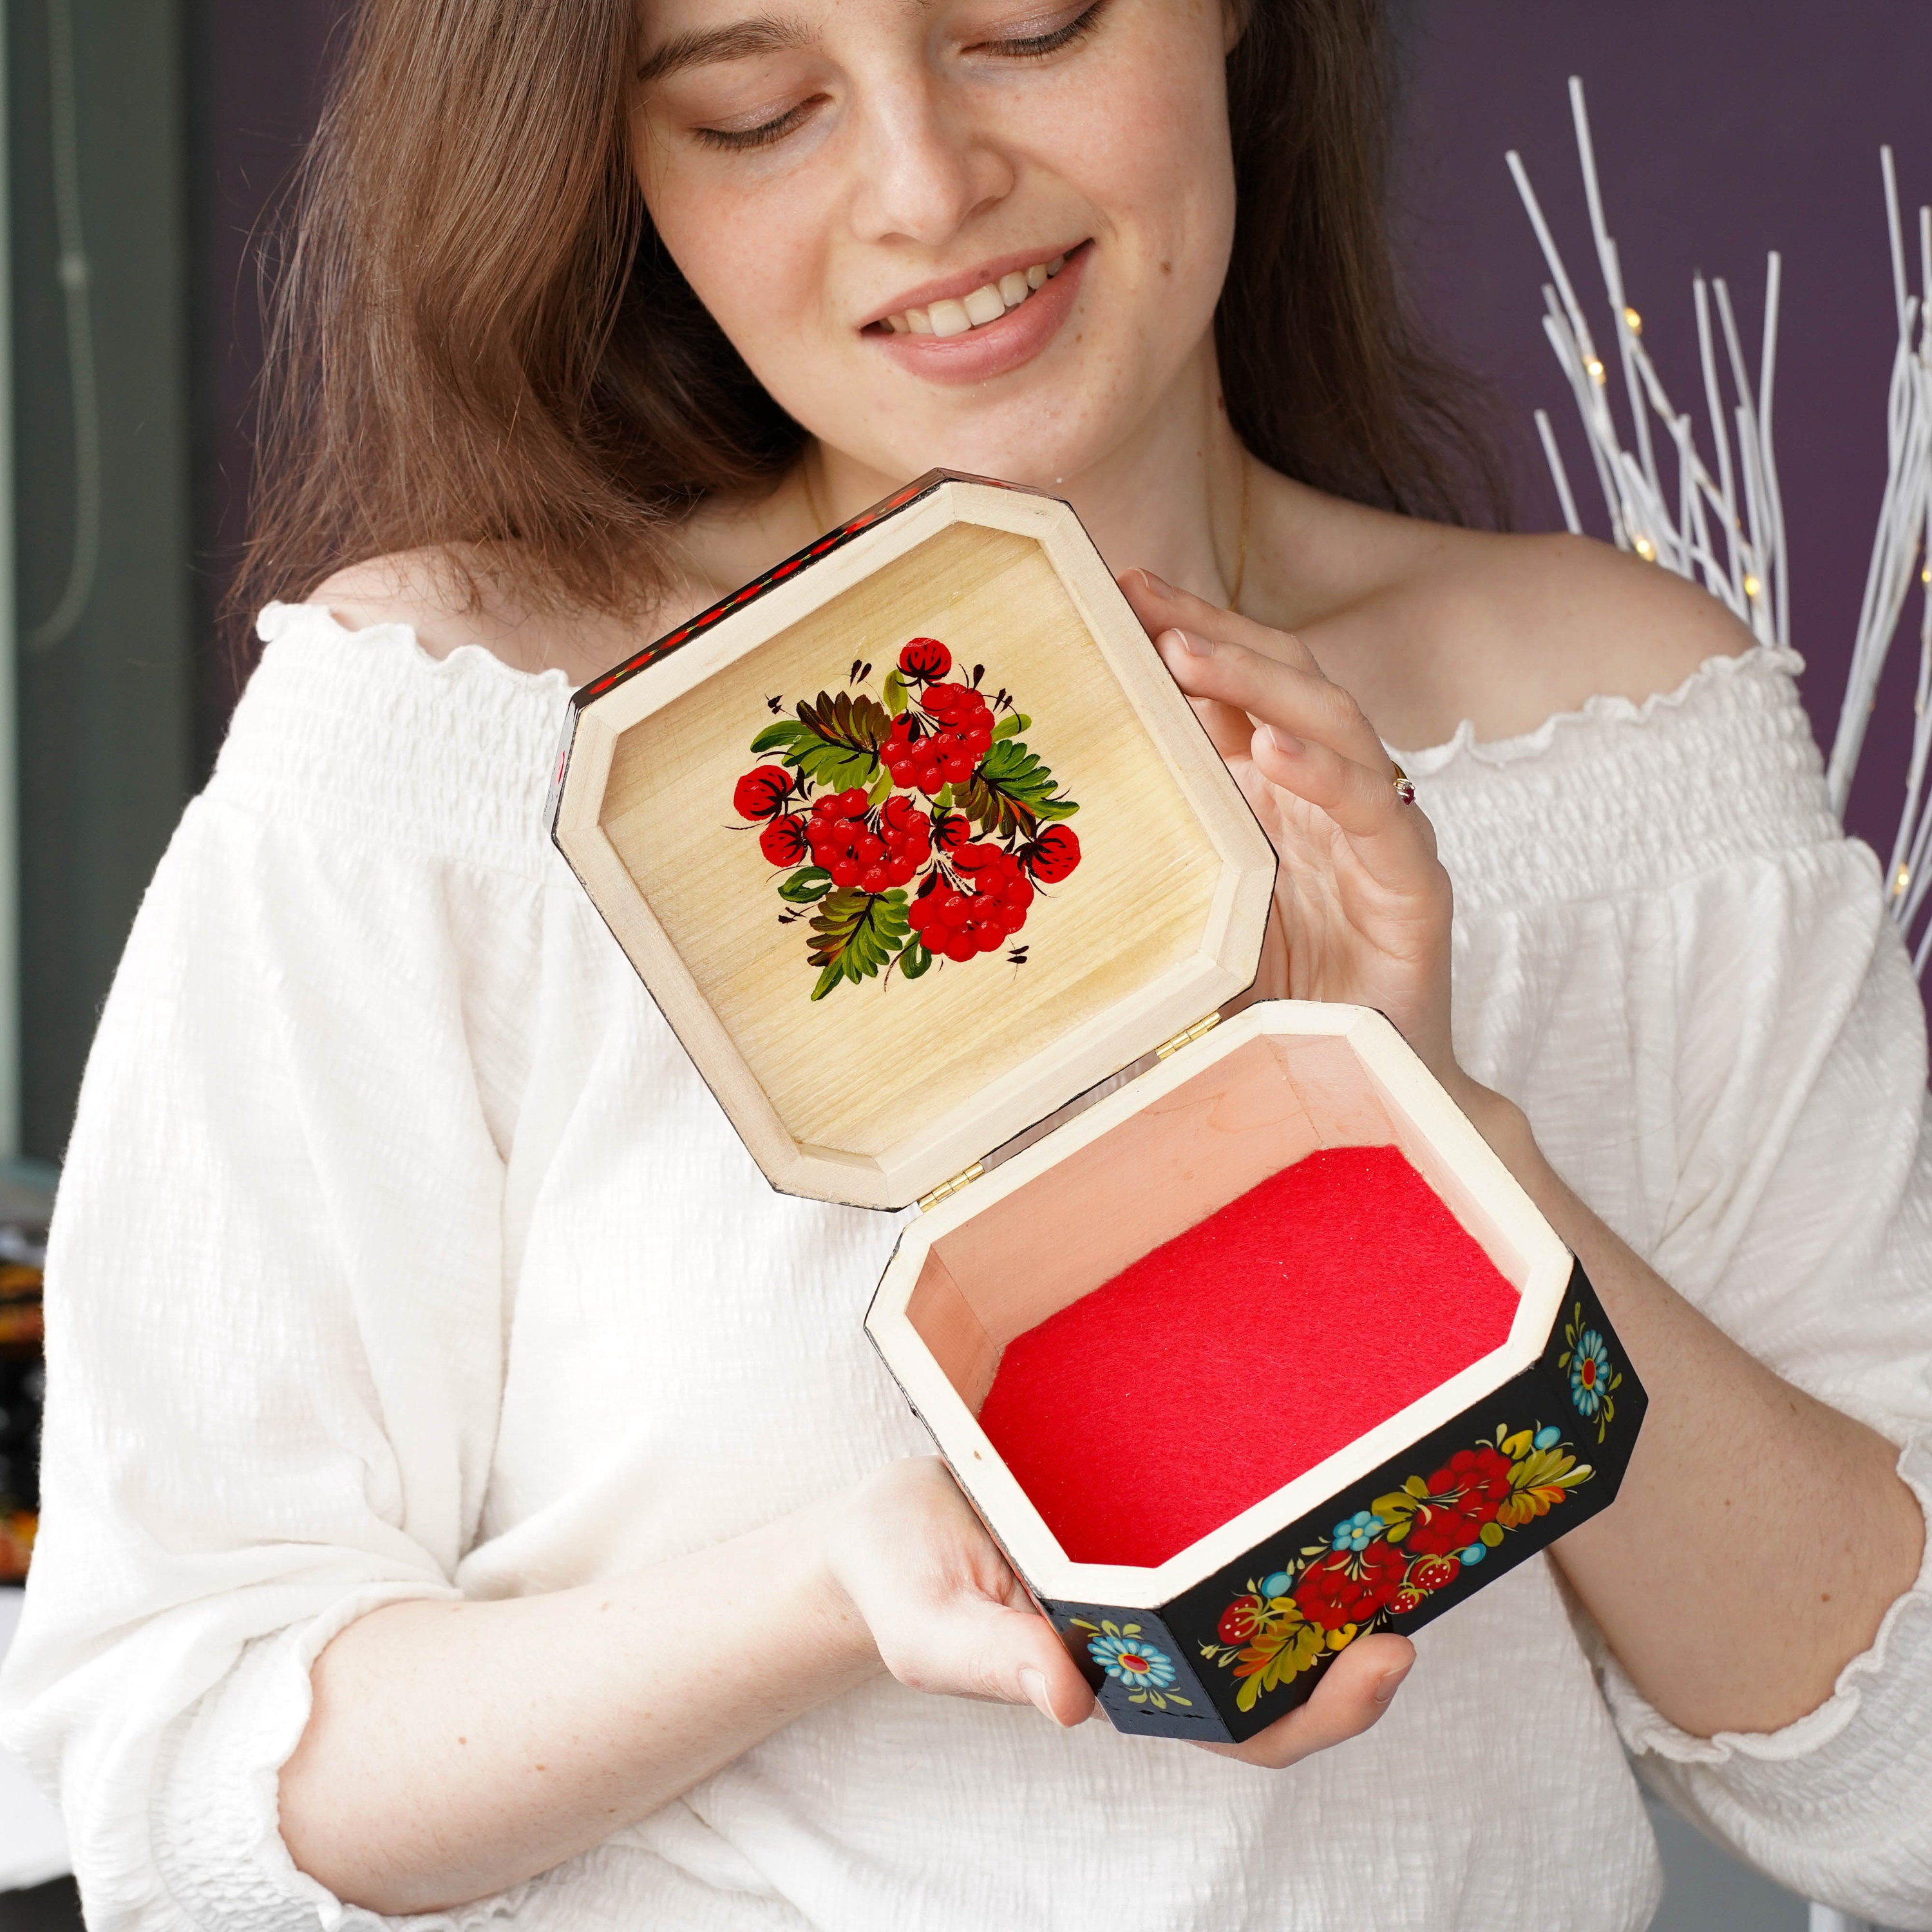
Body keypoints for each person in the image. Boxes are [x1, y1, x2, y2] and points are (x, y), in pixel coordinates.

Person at [5, 1, 1931, 1927]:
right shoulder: (454, 745)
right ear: (623, 166)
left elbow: (1899, 1799)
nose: (927, 190)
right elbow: (178, 1781)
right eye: (759, 113)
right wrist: (851, 1586)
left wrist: (1421, 1136)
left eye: (1027, 27)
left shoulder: (1624, 744)